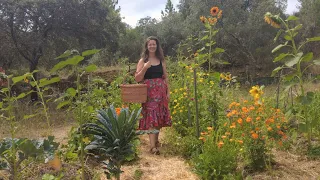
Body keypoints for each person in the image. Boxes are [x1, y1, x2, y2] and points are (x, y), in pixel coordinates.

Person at [134, 36, 172, 155]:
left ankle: (155, 141)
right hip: (149, 93)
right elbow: (137, 78)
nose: (152, 46)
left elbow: (165, 77)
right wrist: (145, 68)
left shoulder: (161, 60)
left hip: (160, 92)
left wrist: (168, 91)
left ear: (157, 46)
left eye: (154, 44)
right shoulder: (142, 61)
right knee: (151, 117)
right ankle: (152, 147)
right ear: (147, 46)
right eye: (150, 44)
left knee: (159, 117)